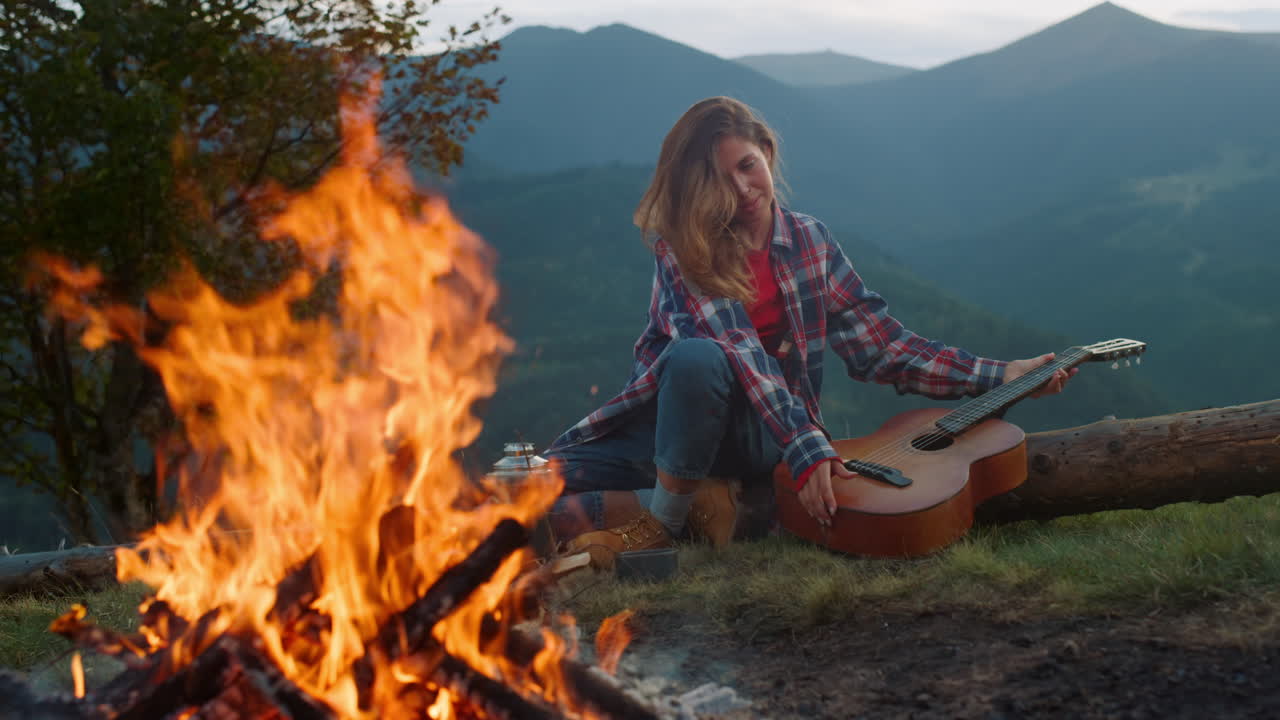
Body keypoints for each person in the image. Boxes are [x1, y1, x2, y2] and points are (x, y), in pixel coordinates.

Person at [541, 96, 1073, 568]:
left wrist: (1002, 374)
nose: (742, 188)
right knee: (528, 491)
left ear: (767, 152)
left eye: (747, 166)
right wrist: (809, 446)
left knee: (697, 358)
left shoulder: (810, 241)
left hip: (758, 435)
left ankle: (666, 523)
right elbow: (744, 352)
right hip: (669, 431)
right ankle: (704, 502)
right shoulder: (686, 251)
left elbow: (882, 347)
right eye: (720, 180)